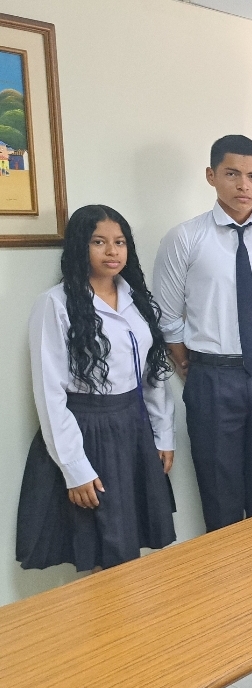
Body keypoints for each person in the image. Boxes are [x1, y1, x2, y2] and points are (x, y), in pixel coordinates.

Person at [153, 135, 252, 533]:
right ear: (211, 176)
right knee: (219, 495)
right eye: (232, 174)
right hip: (212, 378)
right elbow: (167, 316)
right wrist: (192, 364)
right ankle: (226, 573)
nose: (243, 185)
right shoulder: (184, 238)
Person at [17, 204, 176, 572]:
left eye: (119, 242)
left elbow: (153, 374)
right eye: (99, 242)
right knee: (101, 545)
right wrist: (74, 468)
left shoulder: (137, 300)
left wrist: (163, 434)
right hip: (88, 432)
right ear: (79, 246)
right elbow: (50, 393)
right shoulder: (55, 304)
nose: (111, 251)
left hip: (134, 429)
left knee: (131, 543)